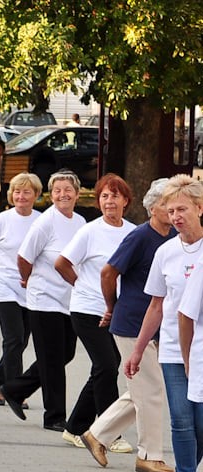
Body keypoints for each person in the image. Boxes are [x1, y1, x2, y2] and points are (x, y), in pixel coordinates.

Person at [78, 178, 174, 472]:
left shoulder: (171, 237)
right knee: (153, 390)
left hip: (157, 323)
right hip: (132, 321)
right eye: (166, 204)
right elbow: (108, 272)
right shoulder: (140, 236)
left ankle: (98, 434)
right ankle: (149, 455)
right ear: (152, 207)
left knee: (142, 390)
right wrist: (111, 306)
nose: (171, 210)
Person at [128, 175, 203, 472]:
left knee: (200, 422)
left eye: (182, 209)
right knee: (181, 421)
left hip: (201, 351)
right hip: (173, 349)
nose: (176, 217)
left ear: (199, 208)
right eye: (170, 211)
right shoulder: (165, 252)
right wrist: (139, 349)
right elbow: (156, 305)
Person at [0, 170, 87, 432]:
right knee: (51, 359)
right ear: (51, 195)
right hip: (43, 300)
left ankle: (13, 389)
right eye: (57, 190)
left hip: (69, 300)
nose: (63, 194)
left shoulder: (81, 221)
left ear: (77, 193)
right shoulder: (46, 222)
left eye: (67, 189)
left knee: (65, 354)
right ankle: (54, 417)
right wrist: (28, 280)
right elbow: (24, 258)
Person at [55, 174, 137, 444]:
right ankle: (107, 434)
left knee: (104, 368)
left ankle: (75, 426)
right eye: (104, 196)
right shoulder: (89, 231)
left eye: (114, 196)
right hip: (88, 309)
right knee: (106, 365)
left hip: (117, 311)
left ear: (125, 200)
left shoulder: (132, 232)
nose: (109, 201)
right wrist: (83, 285)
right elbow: (62, 263)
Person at [0, 173, 43, 410]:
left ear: (36, 195)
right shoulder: (1, 220)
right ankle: (15, 391)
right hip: (5, 286)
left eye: (26, 192)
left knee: (22, 340)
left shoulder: (41, 221)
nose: (21, 196)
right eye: (16, 191)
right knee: (13, 338)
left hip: (31, 287)